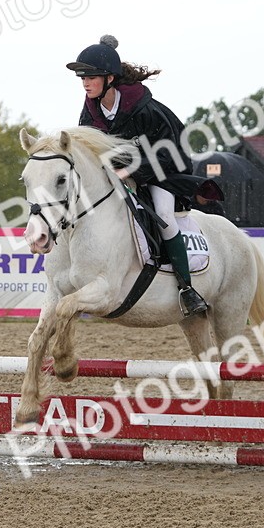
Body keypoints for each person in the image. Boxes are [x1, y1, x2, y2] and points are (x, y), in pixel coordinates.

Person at [67, 34, 210, 317]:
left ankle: (186, 289)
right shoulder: (90, 109)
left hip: (163, 171)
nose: (85, 83)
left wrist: (132, 169)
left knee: (165, 218)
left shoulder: (146, 110)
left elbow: (170, 154)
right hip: (120, 173)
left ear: (109, 78)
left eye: (90, 76)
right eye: (82, 77)